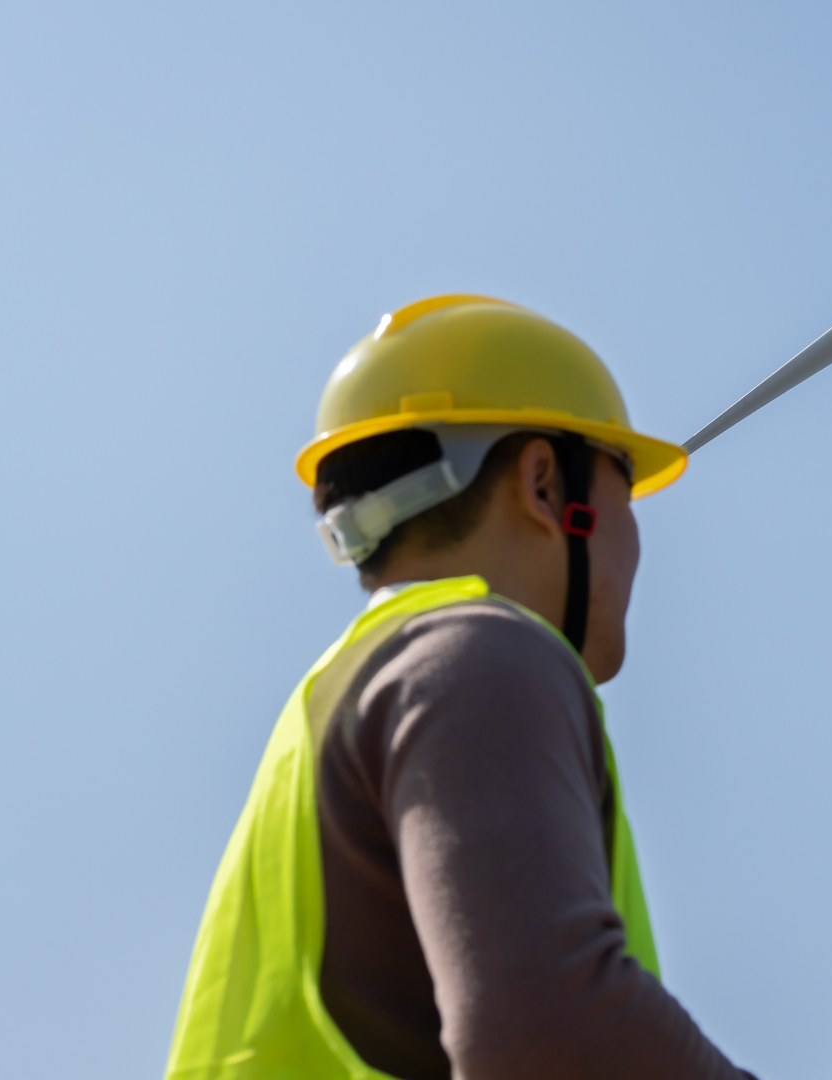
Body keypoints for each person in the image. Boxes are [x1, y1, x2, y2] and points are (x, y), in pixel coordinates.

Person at [166, 295, 756, 1080]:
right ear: (546, 487)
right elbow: (551, 1029)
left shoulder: (345, 694)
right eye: (624, 489)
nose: (638, 541)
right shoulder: (477, 656)